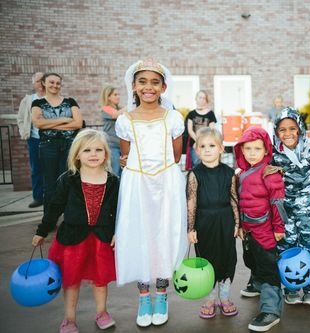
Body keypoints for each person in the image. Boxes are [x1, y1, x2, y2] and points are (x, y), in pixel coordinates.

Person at [114, 59, 188, 327]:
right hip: (137, 185)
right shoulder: (125, 120)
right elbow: (126, 154)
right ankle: (144, 297)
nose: (148, 87)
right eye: (142, 82)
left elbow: (176, 152)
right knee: (140, 235)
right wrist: (128, 163)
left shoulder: (173, 118)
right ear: (133, 86)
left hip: (166, 183)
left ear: (163, 87)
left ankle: (161, 294)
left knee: (163, 235)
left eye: (155, 82)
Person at [31, 129, 119, 333]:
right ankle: (69, 319)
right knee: (71, 281)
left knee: (100, 279)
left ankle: (102, 312)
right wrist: (42, 231)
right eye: (87, 150)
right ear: (77, 154)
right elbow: (55, 206)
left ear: (106, 154)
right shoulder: (68, 179)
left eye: (98, 149)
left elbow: (118, 210)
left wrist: (117, 232)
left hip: (101, 239)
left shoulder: (113, 181)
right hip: (72, 239)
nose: (93, 154)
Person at [234, 126, 286, 332]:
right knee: (251, 259)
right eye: (248, 148)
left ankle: (271, 310)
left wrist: (278, 228)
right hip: (249, 230)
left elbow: (278, 203)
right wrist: (239, 226)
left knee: (267, 267)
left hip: (266, 230)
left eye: (257, 148)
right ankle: (256, 284)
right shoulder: (242, 173)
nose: (253, 153)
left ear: (266, 150)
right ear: (242, 150)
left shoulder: (270, 173)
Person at [186, 127, 242, 319]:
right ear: (196, 149)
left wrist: (237, 222)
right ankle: (210, 299)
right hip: (204, 222)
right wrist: (191, 227)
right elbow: (191, 202)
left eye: (212, 145)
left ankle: (224, 298)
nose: (207, 149)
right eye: (203, 146)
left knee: (228, 258)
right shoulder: (194, 174)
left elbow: (234, 198)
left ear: (220, 149)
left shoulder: (229, 173)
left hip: (225, 220)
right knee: (207, 260)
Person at [269, 107, 310, 306]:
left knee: (309, 245)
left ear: (299, 128)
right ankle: (290, 287)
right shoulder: (273, 156)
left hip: (308, 211)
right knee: (286, 245)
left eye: (292, 128)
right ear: (276, 132)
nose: (288, 133)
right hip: (284, 212)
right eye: (282, 130)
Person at [31, 73, 83, 214]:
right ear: (44, 83)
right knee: (49, 184)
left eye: (58, 83)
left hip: (68, 145)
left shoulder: (70, 101)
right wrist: (65, 119)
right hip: (48, 146)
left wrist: (50, 124)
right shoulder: (38, 103)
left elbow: (78, 123)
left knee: (67, 181)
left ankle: (68, 217)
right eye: (51, 82)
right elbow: (38, 123)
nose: (55, 85)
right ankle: (49, 219)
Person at [17, 72, 45, 208]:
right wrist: (24, 132)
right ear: (34, 84)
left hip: (50, 139)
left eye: (43, 80)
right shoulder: (28, 100)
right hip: (34, 139)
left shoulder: (51, 98)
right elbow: (20, 118)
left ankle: (52, 197)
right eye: (38, 80)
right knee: (36, 169)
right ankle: (38, 197)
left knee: (52, 169)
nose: (41, 83)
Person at [185, 90, 217, 170]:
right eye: (200, 97)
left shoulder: (210, 114)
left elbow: (211, 129)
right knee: (196, 165)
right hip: (194, 144)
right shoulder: (191, 114)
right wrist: (198, 141)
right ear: (196, 99)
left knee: (207, 165)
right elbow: (190, 130)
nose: (202, 99)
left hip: (207, 144)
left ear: (206, 100)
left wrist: (203, 141)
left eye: (204, 98)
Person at [99, 85, 124, 176]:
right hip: (112, 146)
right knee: (115, 172)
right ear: (108, 97)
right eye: (115, 94)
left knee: (123, 173)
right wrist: (130, 105)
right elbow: (115, 115)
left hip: (122, 145)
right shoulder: (105, 109)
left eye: (118, 94)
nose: (118, 97)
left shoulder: (120, 109)